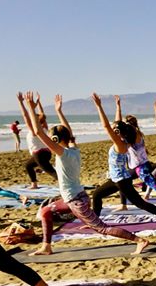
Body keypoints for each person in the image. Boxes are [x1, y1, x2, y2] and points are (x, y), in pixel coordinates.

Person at [23, 92, 149, 256]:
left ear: (54, 139)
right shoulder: (73, 149)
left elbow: (39, 132)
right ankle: (46, 246)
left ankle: (139, 240)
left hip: (76, 201)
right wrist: (59, 111)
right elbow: (68, 131)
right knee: (46, 211)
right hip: (74, 197)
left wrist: (31, 109)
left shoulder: (63, 153)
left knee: (102, 228)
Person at [90, 94, 156, 230]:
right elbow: (116, 124)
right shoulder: (124, 140)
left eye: (115, 130)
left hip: (122, 180)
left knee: (140, 203)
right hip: (117, 178)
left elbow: (106, 126)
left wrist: (99, 106)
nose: (113, 130)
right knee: (97, 195)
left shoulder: (120, 144)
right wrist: (118, 107)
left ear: (119, 132)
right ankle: (95, 223)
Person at [17, 92, 58, 189]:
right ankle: (34, 184)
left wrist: (21, 103)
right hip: (46, 153)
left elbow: (25, 116)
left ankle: (68, 185)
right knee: (28, 166)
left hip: (39, 155)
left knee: (52, 172)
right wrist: (38, 103)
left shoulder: (34, 130)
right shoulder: (44, 127)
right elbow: (42, 115)